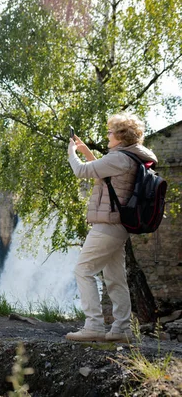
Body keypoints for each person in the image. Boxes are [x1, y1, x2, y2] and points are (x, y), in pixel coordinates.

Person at [66, 112, 158, 342]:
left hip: (106, 225)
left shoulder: (119, 158)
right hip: (118, 226)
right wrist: (85, 150)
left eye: (110, 132)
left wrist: (71, 153)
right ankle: (122, 329)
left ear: (120, 136)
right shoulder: (129, 157)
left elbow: (82, 171)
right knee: (115, 277)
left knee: (83, 270)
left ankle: (94, 325)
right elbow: (100, 169)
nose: (107, 135)